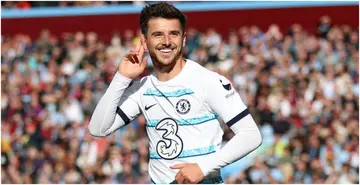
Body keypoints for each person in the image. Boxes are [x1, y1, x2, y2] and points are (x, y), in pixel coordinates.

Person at [88, 2, 262, 184]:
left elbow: (251, 134)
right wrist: (121, 77)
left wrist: (203, 167)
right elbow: (98, 129)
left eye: (174, 34)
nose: (167, 41)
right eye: (158, 35)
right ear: (144, 41)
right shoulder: (143, 88)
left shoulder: (207, 81)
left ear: (184, 39)